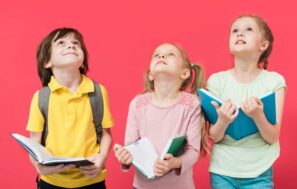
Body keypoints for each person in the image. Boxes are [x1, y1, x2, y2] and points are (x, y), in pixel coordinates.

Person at [26, 28, 113, 189]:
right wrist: (38, 166)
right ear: (47, 61)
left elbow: (106, 135)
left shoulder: (98, 91)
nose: (71, 46)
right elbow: (34, 142)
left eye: (76, 43)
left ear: (82, 60)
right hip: (52, 181)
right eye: (61, 43)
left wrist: (102, 157)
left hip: (92, 180)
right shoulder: (41, 97)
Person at [114, 43, 208, 189]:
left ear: (184, 73)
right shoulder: (137, 104)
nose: (161, 56)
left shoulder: (191, 104)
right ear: (151, 75)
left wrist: (174, 163)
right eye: (156, 55)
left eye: (171, 54)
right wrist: (125, 158)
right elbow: (131, 147)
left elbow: (193, 151)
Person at [207, 15, 286, 188]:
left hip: (260, 171)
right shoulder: (216, 81)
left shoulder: (274, 81)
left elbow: (272, 136)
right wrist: (223, 120)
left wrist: (258, 116)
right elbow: (214, 137)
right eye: (235, 30)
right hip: (223, 171)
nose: (240, 33)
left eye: (248, 29)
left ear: (263, 45)